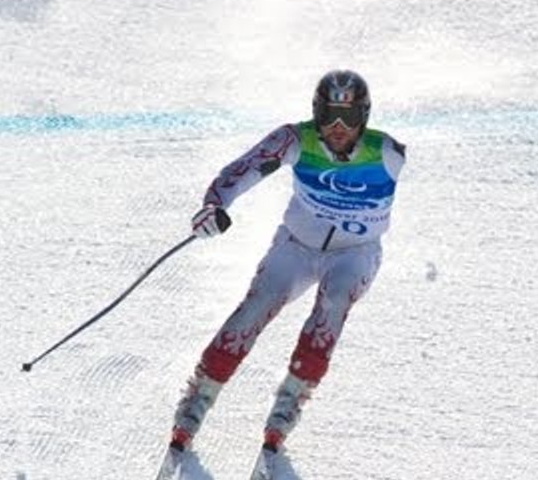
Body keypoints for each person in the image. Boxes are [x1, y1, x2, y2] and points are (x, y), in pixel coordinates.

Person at [168, 69, 406, 456]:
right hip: (296, 246)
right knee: (256, 306)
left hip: (355, 253)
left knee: (333, 305)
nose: (339, 127)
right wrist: (215, 206)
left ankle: (288, 406)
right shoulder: (297, 139)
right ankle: (197, 399)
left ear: (365, 116)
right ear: (316, 113)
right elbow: (240, 172)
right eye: (329, 116)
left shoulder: (389, 153)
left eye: (349, 118)